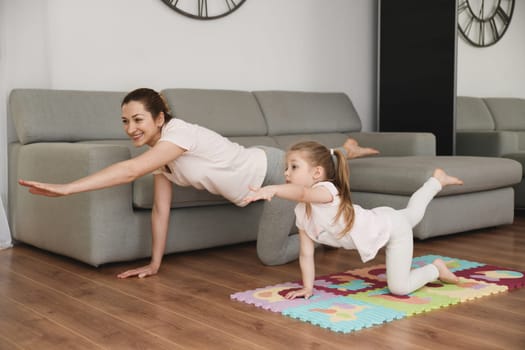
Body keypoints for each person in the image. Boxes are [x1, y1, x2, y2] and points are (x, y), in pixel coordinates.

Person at [18, 88, 379, 278]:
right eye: (124, 121)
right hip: (257, 167)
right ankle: (342, 149)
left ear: (160, 118)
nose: (130, 129)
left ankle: (340, 161)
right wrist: (155, 264)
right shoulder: (164, 158)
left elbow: (130, 172)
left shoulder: (179, 134)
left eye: (138, 119)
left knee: (270, 257)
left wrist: (66, 188)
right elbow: (161, 210)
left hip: (270, 170)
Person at [242, 141, 462, 298]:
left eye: (294, 167)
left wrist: (272, 189)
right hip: (382, 219)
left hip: (392, 229)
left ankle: (435, 269)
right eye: (285, 168)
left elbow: (301, 193)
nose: (286, 173)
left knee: (400, 288)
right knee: (412, 213)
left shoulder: (325, 191)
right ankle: (437, 181)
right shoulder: (302, 212)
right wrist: (308, 288)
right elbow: (306, 254)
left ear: (317, 173)